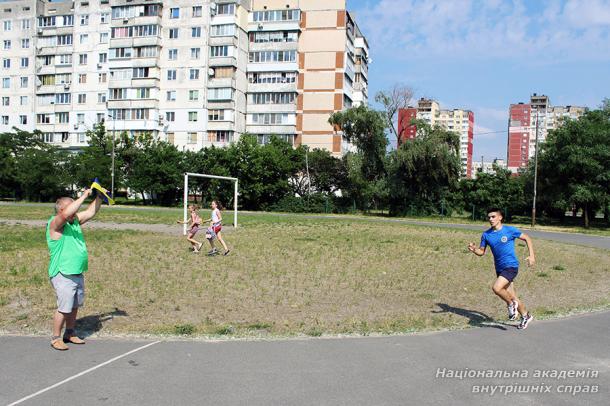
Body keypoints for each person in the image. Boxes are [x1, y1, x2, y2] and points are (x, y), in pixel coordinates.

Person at [47, 188, 102, 350]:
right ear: (62, 209)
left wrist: (100, 196)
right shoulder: (55, 224)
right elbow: (64, 216)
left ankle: (69, 333)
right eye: (72, 206)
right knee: (64, 307)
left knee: (74, 305)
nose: (76, 209)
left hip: (77, 271)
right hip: (62, 272)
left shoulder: (75, 221)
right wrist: (84, 195)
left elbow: (91, 211)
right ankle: (56, 337)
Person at [468, 208, 535, 330]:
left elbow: (527, 238)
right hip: (499, 268)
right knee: (512, 295)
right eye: (489, 217)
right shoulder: (486, 235)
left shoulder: (509, 230)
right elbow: (481, 252)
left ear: (500, 217)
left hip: (511, 266)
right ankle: (526, 315)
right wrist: (474, 250)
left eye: (493, 216)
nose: (490, 219)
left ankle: (510, 304)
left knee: (496, 288)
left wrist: (532, 255)